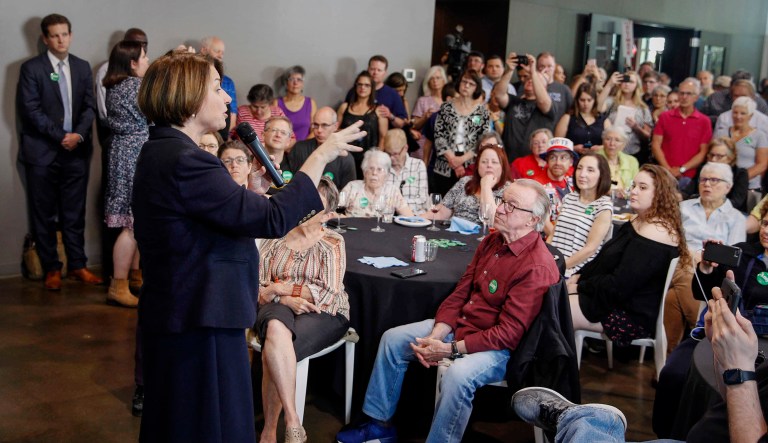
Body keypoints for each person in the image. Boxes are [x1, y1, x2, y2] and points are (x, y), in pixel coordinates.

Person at [132, 52, 364, 443]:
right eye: (216, 88)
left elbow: (218, 219)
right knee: (207, 426)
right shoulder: (186, 160)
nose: (226, 98)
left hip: (186, 311)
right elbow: (273, 219)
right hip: (200, 318)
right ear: (188, 97)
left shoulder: (163, 151)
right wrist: (321, 154)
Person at [336, 179, 560, 443]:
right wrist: (438, 333)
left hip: (504, 350)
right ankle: (379, 424)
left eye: (511, 206)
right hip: (465, 327)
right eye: (502, 201)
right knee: (393, 340)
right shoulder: (493, 241)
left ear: (532, 221)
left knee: (457, 375)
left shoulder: (537, 266)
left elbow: (509, 335)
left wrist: (450, 349)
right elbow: (462, 292)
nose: (499, 209)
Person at [514, 276, 768, 443]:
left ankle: (586, 422)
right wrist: (724, 357)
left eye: (642, 187)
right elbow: (740, 407)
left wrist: (739, 369)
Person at [256, 177, 350, 443]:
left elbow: (329, 291)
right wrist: (280, 297)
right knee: (275, 330)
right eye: (304, 201)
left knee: (275, 351)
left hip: (325, 311)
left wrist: (282, 289)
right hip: (275, 306)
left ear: (329, 214)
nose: (306, 208)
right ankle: (293, 420)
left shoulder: (332, 243)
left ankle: (269, 432)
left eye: (315, 205)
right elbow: (258, 285)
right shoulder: (277, 234)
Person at [17, 13, 101, 290]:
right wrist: (61, 136)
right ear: (45, 38)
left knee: (74, 212)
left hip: (76, 151)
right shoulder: (32, 69)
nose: (60, 39)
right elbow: (30, 111)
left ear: (70, 35)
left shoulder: (80, 66)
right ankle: (52, 268)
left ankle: (78, 265)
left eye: (64, 33)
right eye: (54, 35)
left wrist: (77, 134)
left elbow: (89, 107)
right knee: (44, 213)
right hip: (42, 152)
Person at [569, 165, 687, 348]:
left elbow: (619, 286)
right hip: (611, 298)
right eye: (633, 186)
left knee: (556, 306)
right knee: (552, 298)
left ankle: (550, 370)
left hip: (630, 313)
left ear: (660, 194)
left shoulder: (657, 232)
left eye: (643, 187)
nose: (633, 191)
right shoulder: (639, 220)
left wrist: (580, 286)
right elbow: (604, 260)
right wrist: (579, 277)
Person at [665, 162, 746, 351]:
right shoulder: (683, 208)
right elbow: (668, 240)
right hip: (678, 262)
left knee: (671, 299)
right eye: (703, 179)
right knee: (685, 269)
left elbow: (732, 259)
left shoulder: (735, 218)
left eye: (714, 180)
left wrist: (704, 261)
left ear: (728, 186)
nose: (707, 184)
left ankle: (671, 356)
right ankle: (703, 331)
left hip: (710, 273)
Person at [103, 40, 150, 307]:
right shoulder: (137, 86)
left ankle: (134, 277)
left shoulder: (114, 86)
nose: (147, 61)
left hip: (121, 152)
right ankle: (119, 284)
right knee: (132, 225)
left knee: (133, 222)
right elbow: (156, 116)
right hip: (135, 154)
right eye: (144, 57)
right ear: (132, 62)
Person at [550, 153, 613, 277]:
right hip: (553, 262)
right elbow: (554, 233)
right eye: (579, 168)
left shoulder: (603, 206)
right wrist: (544, 258)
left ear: (602, 175)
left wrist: (560, 267)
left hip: (574, 271)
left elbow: (591, 249)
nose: (582, 174)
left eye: (590, 170)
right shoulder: (569, 198)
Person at [424, 139, 511, 225]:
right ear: (477, 166)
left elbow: (493, 222)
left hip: (483, 237)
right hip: (455, 234)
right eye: (484, 162)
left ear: (503, 167)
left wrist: (486, 186)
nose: (489, 165)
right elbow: (441, 214)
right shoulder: (465, 182)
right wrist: (415, 219)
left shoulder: (509, 190)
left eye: (494, 162)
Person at [431, 70, 490, 195]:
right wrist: (453, 160)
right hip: (445, 164)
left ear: (476, 88)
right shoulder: (446, 107)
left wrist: (462, 159)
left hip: (470, 165)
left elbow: (483, 140)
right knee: (440, 203)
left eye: (471, 84)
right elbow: (438, 134)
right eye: (464, 81)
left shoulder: (482, 113)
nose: (466, 86)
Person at [494, 52, 555, 161]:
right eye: (528, 78)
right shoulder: (513, 101)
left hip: (535, 164)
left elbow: (542, 101)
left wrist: (533, 72)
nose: (530, 80)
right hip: (509, 161)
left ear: (544, 87)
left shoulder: (548, 105)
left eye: (535, 79)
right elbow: (498, 94)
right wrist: (509, 70)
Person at [652, 78, 712, 186]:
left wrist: (682, 169)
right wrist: (668, 170)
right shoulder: (665, 117)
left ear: (696, 97)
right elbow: (656, 145)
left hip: (690, 177)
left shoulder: (704, 121)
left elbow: (703, 152)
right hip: (664, 174)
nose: (684, 97)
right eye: (682, 93)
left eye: (689, 94)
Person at [283, 106, 357, 191]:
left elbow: (348, 194)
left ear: (336, 126)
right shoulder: (299, 148)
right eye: (316, 125)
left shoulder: (346, 158)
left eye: (325, 125)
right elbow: (288, 181)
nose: (319, 130)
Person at [337, 71, 389, 177]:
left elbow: (383, 138)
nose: (362, 88)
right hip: (345, 156)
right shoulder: (344, 107)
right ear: (355, 86)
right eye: (360, 84)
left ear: (371, 88)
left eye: (366, 85)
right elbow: (335, 131)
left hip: (368, 160)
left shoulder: (378, 110)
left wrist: (377, 161)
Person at [714, 96, 768, 191]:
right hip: (721, 185)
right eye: (735, 112)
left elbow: (762, 164)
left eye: (743, 113)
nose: (738, 116)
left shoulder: (759, 136)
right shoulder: (721, 133)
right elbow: (712, 157)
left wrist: (740, 179)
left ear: (750, 115)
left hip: (748, 187)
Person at [597, 70, 653, 163]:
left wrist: (636, 127)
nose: (627, 84)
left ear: (636, 85)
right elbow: (598, 108)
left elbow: (648, 136)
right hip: (610, 149)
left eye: (631, 82)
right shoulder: (612, 102)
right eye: (625, 80)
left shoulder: (643, 109)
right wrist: (609, 84)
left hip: (633, 151)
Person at [340, 149, 413, 218]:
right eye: (371, 168)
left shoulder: (392, 191)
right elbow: (333, 210)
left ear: (387, 175)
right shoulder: (352, 187)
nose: (374, 173)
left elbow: (410, 217)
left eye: (379, 169)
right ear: (364, 172)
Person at [682, 137, 749, 212]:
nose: (713, 159)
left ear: (731, 157)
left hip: (730, 215)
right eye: (711, 155)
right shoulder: (703, 170)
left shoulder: (740, 174)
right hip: (700, 212)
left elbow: (736, 202)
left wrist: (706, 200)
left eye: (719, 156)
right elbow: (688, 192)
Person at [554, 83, 609, 155]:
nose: (586, 103)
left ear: (594, 101)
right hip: (573, 158)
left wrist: (601, 147)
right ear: (577, 100)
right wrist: (573, 148)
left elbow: (612, 142)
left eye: (589, 100)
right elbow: (557, 143)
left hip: (597, 159)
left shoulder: (603, 119)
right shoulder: (567, 118)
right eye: (582, 100)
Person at [382, 129, 428, 213]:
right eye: (388, 153)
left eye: (395, 154)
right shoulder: (381, 167)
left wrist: (398, 204)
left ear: (405, 148)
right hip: (387, 218)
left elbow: (423, 200)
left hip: (414, 218)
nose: (391, 158)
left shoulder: (418, 165)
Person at [200, 36, 237, 137]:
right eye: (217, 51)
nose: (220, 55)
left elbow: (232, 113)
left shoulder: (228, 82)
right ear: (204, 50)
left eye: (222, 52)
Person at [535, 138, 577, 227]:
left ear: (571, 162)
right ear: (547, 160)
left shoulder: (574, 182)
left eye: (563, 158)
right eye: (553, 157)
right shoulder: (537, 185)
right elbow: (545, 225)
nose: (558, 162)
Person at [595, 128, 639, 196]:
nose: (612, 143)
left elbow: (635, 184)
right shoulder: (594, 159)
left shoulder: (632, 161)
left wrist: (627, 192)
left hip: (625, 201)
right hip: (601, 199)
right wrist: (609, 192)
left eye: (617, 140)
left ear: (624, 144)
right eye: (608, 139)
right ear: (603, 141)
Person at [277, 65, 317, 141]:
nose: (295, 83)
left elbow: (314, 131)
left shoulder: (311, 103)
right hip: (282, 148)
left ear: (303, 84)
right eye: (292, 79)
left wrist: (300, 147)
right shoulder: (277, 103)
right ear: (286, 83)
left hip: (305, 149)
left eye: (299, 79)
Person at [537, 52, 574, 122]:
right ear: (537, 68)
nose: (546, 70)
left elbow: (572, 110)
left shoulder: (564, 89)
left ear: (554, 68)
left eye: (549, 66)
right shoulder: (531, 87)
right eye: (542, 66)